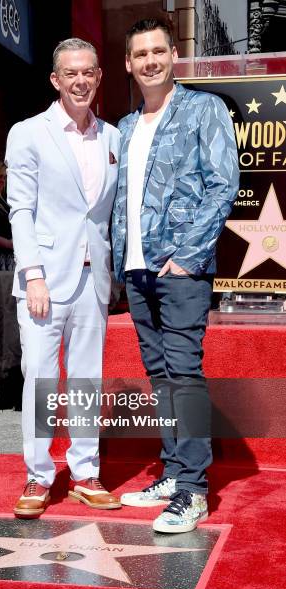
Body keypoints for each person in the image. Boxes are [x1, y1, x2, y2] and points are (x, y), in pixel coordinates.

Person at [112, 18, 239, 533]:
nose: (150, 61)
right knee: (160, 375)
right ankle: (173, 471)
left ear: (173, 55)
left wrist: (187, 255)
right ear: (128, 62)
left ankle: (193, 491)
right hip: (137, 269)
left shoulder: (203, 109)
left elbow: (223, 183)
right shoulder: (123, 126)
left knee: (184, 372)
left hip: (181, 268)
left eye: (158, 51)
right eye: (140, 54)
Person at [6, 38, 121, 518]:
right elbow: (20, 209)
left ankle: (85, 472)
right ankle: (37, 476)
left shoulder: (115, 137)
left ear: (98, 77)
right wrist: (32, 275)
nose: (80, 81)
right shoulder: (28, 132)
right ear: (56, 80)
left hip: (94, 280)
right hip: (44, 281)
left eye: (87, 72)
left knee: (86, 380)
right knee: (40, 378)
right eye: (70, 73)